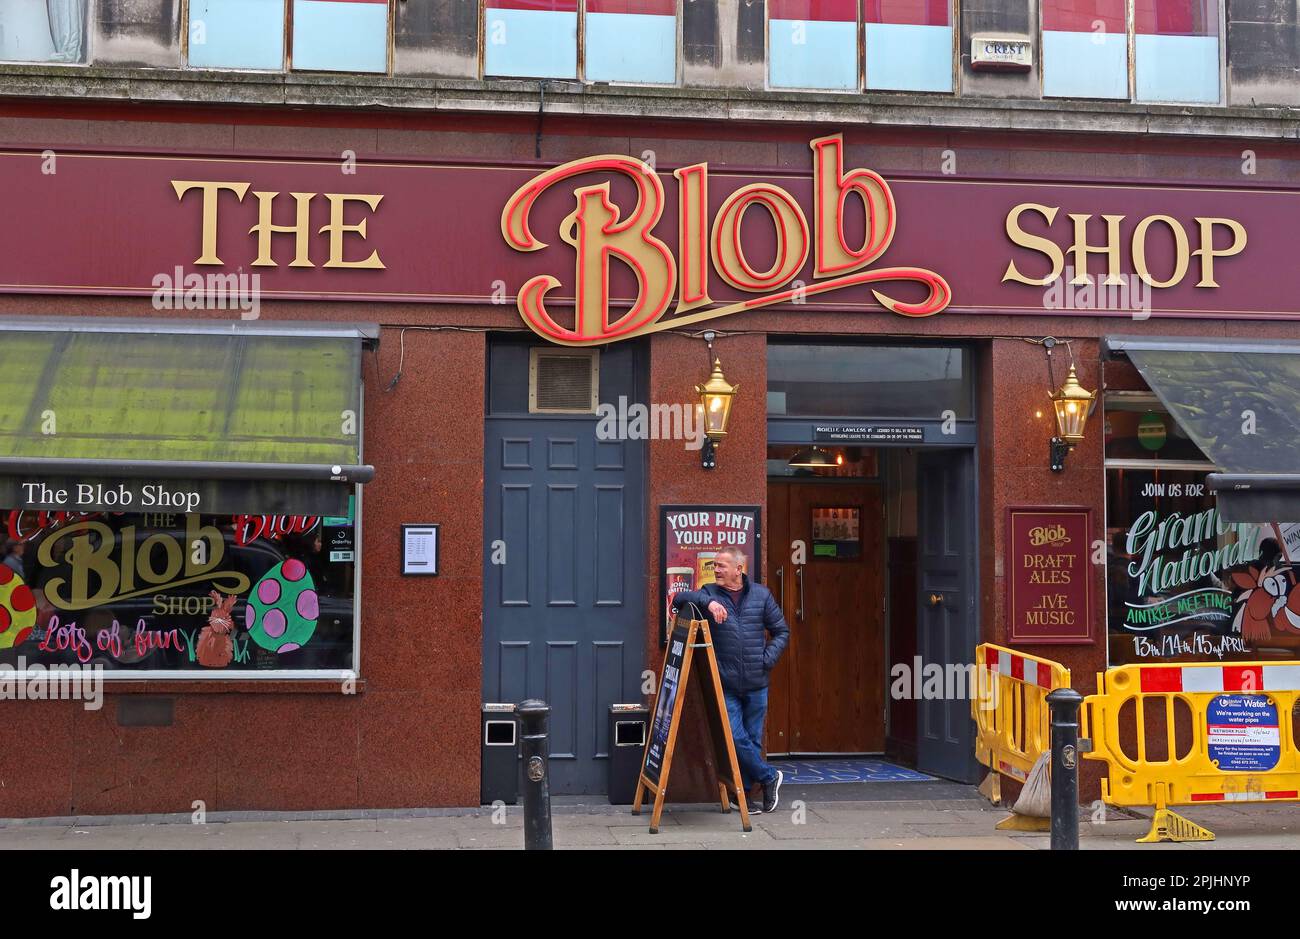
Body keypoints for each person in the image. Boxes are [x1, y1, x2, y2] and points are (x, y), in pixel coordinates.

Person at [672, 545, 789, 814]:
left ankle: (743, 796)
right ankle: (769, 776)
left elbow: (781, 631)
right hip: (725, 682)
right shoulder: (709, 593)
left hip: (757, 682)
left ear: (738, 569)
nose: (716, 570)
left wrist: (766, 659)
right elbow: (678, 599)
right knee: (735, 737)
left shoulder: (761, 595)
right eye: (714, 565)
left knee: (753, 740)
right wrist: (708, 602)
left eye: (721, 565)